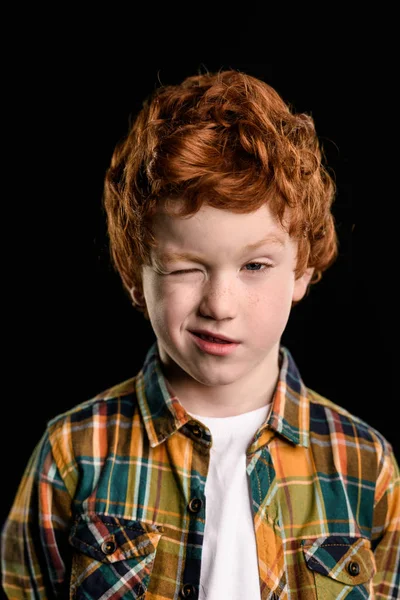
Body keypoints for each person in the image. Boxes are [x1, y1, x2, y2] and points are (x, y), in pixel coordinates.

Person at [2, 69, 399, 600]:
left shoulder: (365, 464)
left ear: (300, 270)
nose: (220, 305)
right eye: (187, 268)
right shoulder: (72, 455)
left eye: (255, 265)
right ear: (134, 276)